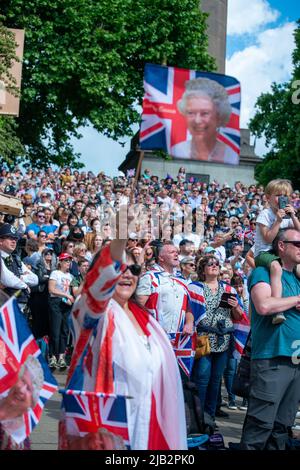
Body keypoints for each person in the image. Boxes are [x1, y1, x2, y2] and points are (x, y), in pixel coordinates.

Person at [59, 238, 186, 450]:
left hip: (147, 426)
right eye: (119, 268)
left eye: (134, 268)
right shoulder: (91, 315)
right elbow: (95, 292)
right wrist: (121, 231)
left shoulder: (148, 321)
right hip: (106, 430)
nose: (127, 274)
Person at [240, 228, 300, 450]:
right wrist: (296, 300)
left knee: (281, 428)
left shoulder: (297, 276)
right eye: (298, 244)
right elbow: (264, 305)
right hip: (272, 357)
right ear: (282, 246)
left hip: (296, 360)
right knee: (260, 426)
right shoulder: (263, 272)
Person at [189, 255, 243, 422]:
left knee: (215, 382)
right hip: (203, 339)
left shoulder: (229, 289)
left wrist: (235, 307)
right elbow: (188, 311)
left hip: (223, 340)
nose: (214, 266)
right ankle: (198, 419)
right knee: (202, 380)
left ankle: (210, 418)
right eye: (210, 264)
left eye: (217, 264)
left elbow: (239, 316)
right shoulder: (194, 288)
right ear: (202, 269)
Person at [254, 179, 300, 324]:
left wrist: (293, 216)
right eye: (278, 195)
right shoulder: (265, 214)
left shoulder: (288, 215)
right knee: (275, 266)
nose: (282, 199)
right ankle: (277, 307)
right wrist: (278, 221)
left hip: (280, 252)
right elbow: (268, 239)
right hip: (264, 253)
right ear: (268, 198)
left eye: (286, 196)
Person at [174, 77, 237, 164]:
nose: (197, 120)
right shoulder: (176, 150)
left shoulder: (231, 156)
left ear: (219, 117)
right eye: (191, 113)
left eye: (205, 113)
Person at [0, 355, 44, 449]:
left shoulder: (20, 437)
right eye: (22, 381)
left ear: (32, 402)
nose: (21, 389)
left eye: (28, 388)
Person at [48, 252, 74, 370]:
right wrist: (66, 295)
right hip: (56, 303)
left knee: (64, 331)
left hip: (66, 304)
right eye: (66, 260)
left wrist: (69, 298)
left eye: (69, 261)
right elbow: (51, 289)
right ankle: (53, 356)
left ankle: (62, 357)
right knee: (55, 330)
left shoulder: (71, 276)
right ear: (61, 262)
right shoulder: (55, 273)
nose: (68, 263)